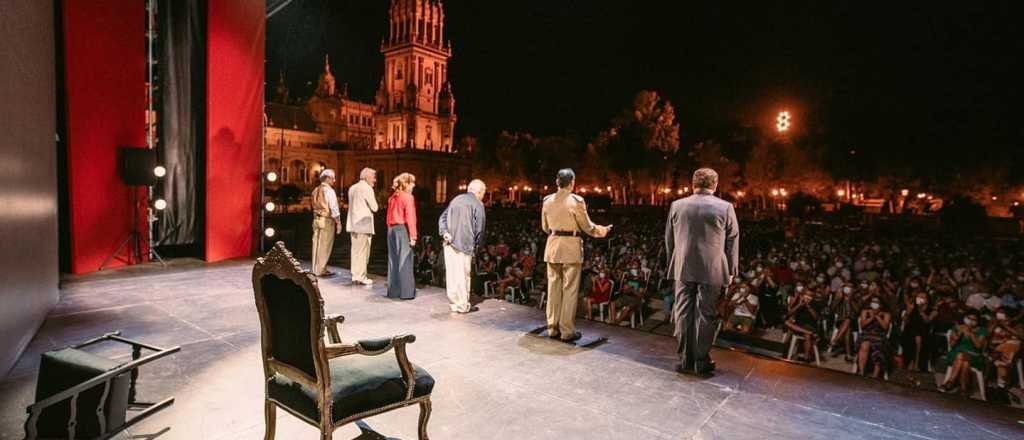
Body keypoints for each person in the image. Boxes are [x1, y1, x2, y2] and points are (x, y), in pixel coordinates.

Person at [666, 168, 739, 375]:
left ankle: (684, 358)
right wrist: (731, 269)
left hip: (683, 266)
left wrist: (674, 261)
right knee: (706, 314)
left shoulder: (677, 206)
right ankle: (701, 360)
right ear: (715, 185)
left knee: (682, 312)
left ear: (692, 183)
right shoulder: (725, 208)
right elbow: (733, 240)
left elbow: (669, 239)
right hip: (713, 269)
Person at [541, 168, 612, 342]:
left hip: (552, 246)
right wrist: (603, 231)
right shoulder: (576, 201)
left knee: (553, 288)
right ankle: (567, 331)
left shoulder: (547, 200)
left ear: (557, 182)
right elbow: (587, 227)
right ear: (572, 182)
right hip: (570, 248)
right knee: (570, 290)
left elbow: (544, 226)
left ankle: (552, 327)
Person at [439, 179, 487, 313]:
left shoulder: (456, 199)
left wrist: (444, 232)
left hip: (449, 242)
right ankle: (462, 304)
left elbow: (442, 218)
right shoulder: (478, 204)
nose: (483, 196)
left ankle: (454, 303)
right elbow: (480, 228)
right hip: (465, 243)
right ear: (479, 192)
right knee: (463, 275)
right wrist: (478, 246)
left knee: (452, 274)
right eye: (483, 193)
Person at [386, 173, 418, 300]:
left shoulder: (392, 197)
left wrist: (389, 229)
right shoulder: (408, 197)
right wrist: (413, 236)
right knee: (405, 260)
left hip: (391, 230)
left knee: (393, 260)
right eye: (412, 182)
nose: (414, 185)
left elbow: (388, 217)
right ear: (406, 184)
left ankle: (393, 291)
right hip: (402, 229)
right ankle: (407, 293)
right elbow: (411, 217)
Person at [940, 311, 987, 395]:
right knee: (964, 361)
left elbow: (978, 346)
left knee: (962, 357)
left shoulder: (982, 330)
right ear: (965, 318)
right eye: (969, 318)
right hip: (956, 353)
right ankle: (963, 389)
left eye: (974, 319)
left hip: (973, 355)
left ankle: (951, 381)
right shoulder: (958, 327)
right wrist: (959, 333)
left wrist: (971, 333)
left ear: (978, 321)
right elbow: (952, 344)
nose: (971, 321)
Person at [346, 167, 379, 285]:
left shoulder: (352, 188)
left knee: (355, 251)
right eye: (373, 177)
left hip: (352, 224)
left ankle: (355, 275)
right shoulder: (367, 188)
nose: (375, 180)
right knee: (363, 251)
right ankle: (361, 276)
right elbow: (375, 207)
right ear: (367, 177)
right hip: (363, 224)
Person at [310, 169, 342, 278]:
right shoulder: (329, 191)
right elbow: (334, 208)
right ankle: (320, 270)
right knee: (325, 245)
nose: (334, 180)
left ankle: (315, 269)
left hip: (316, 219)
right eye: (333, 178)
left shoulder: (315, 190)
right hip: (326, 220)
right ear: (327, 178)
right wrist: (338, 223)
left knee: (316, 244)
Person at [856, 295, 892, 378]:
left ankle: (875, 376)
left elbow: (885, 327)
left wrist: (877, 316)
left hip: (879, 336)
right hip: (866, 334)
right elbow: (862, 325)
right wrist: (871, 317)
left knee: (878, 347)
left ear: (881, 304)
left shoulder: (886, 314)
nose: (874, 304)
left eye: (876, 302)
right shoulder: (865, 311)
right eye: (873, 302)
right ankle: (861, 373)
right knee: (865, 345)